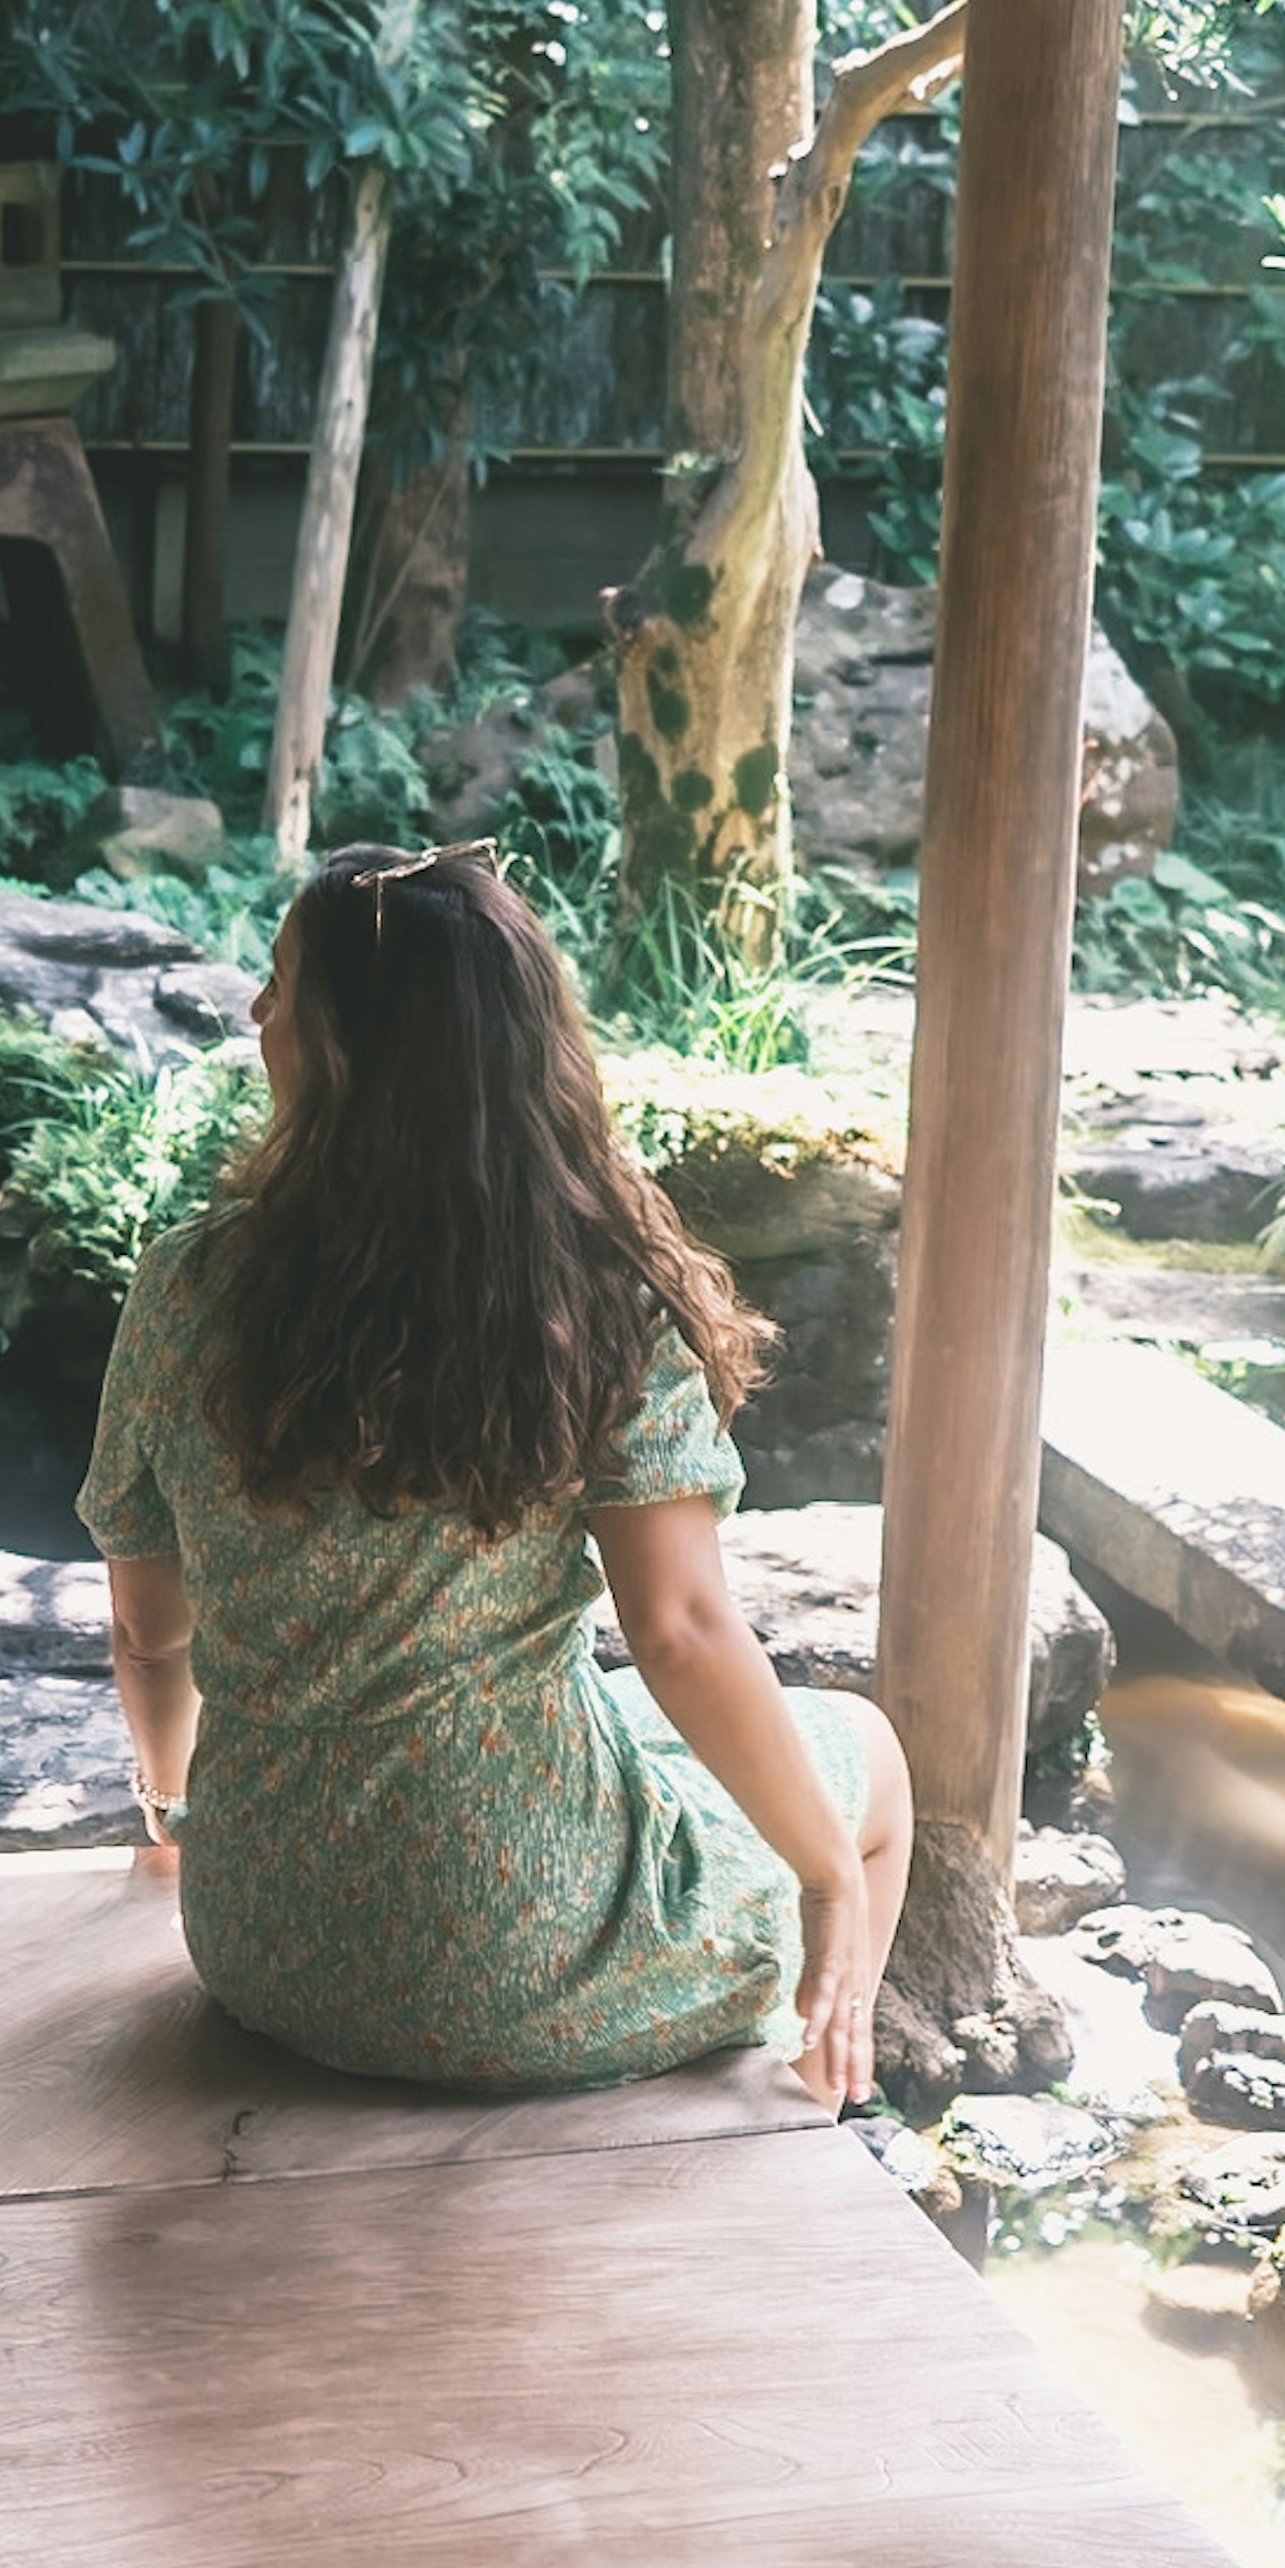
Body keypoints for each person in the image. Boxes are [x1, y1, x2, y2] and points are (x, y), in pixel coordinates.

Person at [81, 838, 913, 2106]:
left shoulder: (188, 1284)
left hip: (257, 1942)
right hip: (517, 1957)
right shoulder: (592, 1300)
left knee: (643, 1739)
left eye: (282, 983)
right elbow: (680, 1631)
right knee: (866, 1756)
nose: (256, 1012)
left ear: (352, 1049)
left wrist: (169, 1806)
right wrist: (828, 1877)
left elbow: (150, 1630)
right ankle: (812, 2112)